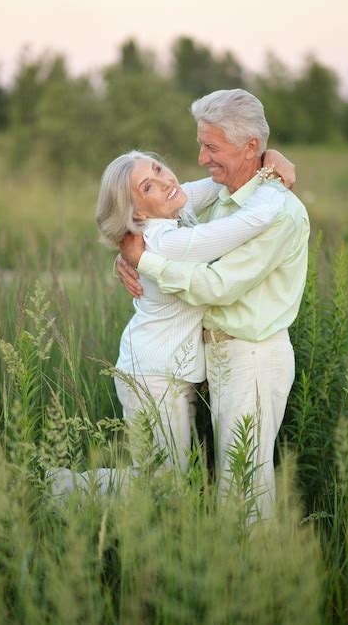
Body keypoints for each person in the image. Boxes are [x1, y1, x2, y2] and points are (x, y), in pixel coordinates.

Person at [118, 89, 310, 519]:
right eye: (200, 144)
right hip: (213, 356)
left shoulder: (276, 211)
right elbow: (151, 212)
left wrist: (144, 260)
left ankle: (254, 581)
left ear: (249, 147)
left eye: (211, 146)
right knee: (225, 483)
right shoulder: (226, 195)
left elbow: (218, 285)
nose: (202, 158)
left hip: (253, 357)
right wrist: (132, 248)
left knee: (245, 491)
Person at [96, 149, 294, 473]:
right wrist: (274, 182)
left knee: (166, 483)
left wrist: (266, 157)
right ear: (136, 213)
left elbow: (222, 180)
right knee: (162, 487)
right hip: (152, 377)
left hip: (168, 372)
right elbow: (250, 222)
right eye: (148, 187)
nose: (164, 181)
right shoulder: (164, 242)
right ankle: (60, 489)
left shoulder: (173, 207)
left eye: (159, 169)